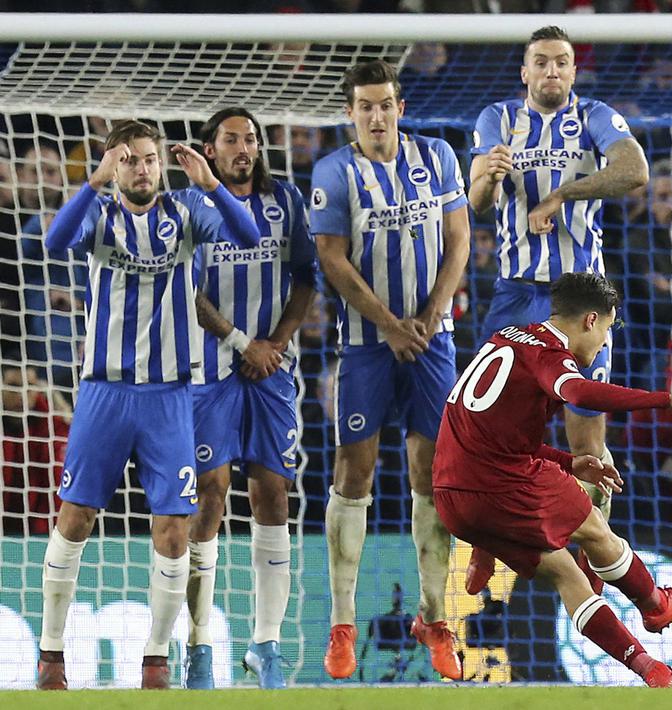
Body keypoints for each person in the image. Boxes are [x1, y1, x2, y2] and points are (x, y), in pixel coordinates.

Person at [34, 119, 261, 690]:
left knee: (175, 532)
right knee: (75, 519)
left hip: (169, 398)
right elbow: (55, 242)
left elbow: (249, 235)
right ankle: (51, 654)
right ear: (115, 165)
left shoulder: (186, 212)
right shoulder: (99, 215)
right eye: (130, 159)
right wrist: (93, 180)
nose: (141, 167)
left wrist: (210, 183)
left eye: (149, 159)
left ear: (163, 165)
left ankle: (157, 660)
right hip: (103, 394)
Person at [432, 272, 672, 689]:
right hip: (500, 486)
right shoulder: (552, 356)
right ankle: (655, 604)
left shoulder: (506, 337)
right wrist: (666, 399)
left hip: (452, 498)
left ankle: (654, 672)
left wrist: (569, 461)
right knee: (595, 526)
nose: (602, 345)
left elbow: (497, 434)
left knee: (567, 573)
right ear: (590, 321)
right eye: (607, 331)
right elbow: (578, 394)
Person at [465, 24, 649, 592]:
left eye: (561, 62)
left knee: (586, 438)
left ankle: (596, 558)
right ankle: (484, 545)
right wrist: (490, 180)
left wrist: (564, 193)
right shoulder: (496, 118)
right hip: (517, 292)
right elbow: (476, 205)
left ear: (574, 71)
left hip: (581, 298)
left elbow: (635, 170)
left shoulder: (593, 115)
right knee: (491, 433)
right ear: (524, 72)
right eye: (540, 62)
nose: (551, 71)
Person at [310, 60, 470, 681]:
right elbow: (331, 258)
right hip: (366, 344)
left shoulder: (439, 158)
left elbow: (458, 239)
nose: (376, 116)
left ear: (400, 107)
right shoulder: (334, 171)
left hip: (434, 339)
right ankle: (342, 625)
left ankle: (433, 617)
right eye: (364, 107)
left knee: (433, 473)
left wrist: (432, 312)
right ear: (351, 113)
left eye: (385, 104)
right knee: (355, 471)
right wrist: (387, 322)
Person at [181, 107, 318, 690]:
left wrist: (276, 344)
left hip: (271, 371)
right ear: (209, 150)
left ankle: (267, 645)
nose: (244, 148)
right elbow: (185, 290)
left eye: (251, 140)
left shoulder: (285, 200)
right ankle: (199, 647)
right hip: (207, 371)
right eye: (231, 140)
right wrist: (242, 342)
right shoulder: (188, 206)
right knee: (209, 498)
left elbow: (307, 276)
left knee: (273, 498)